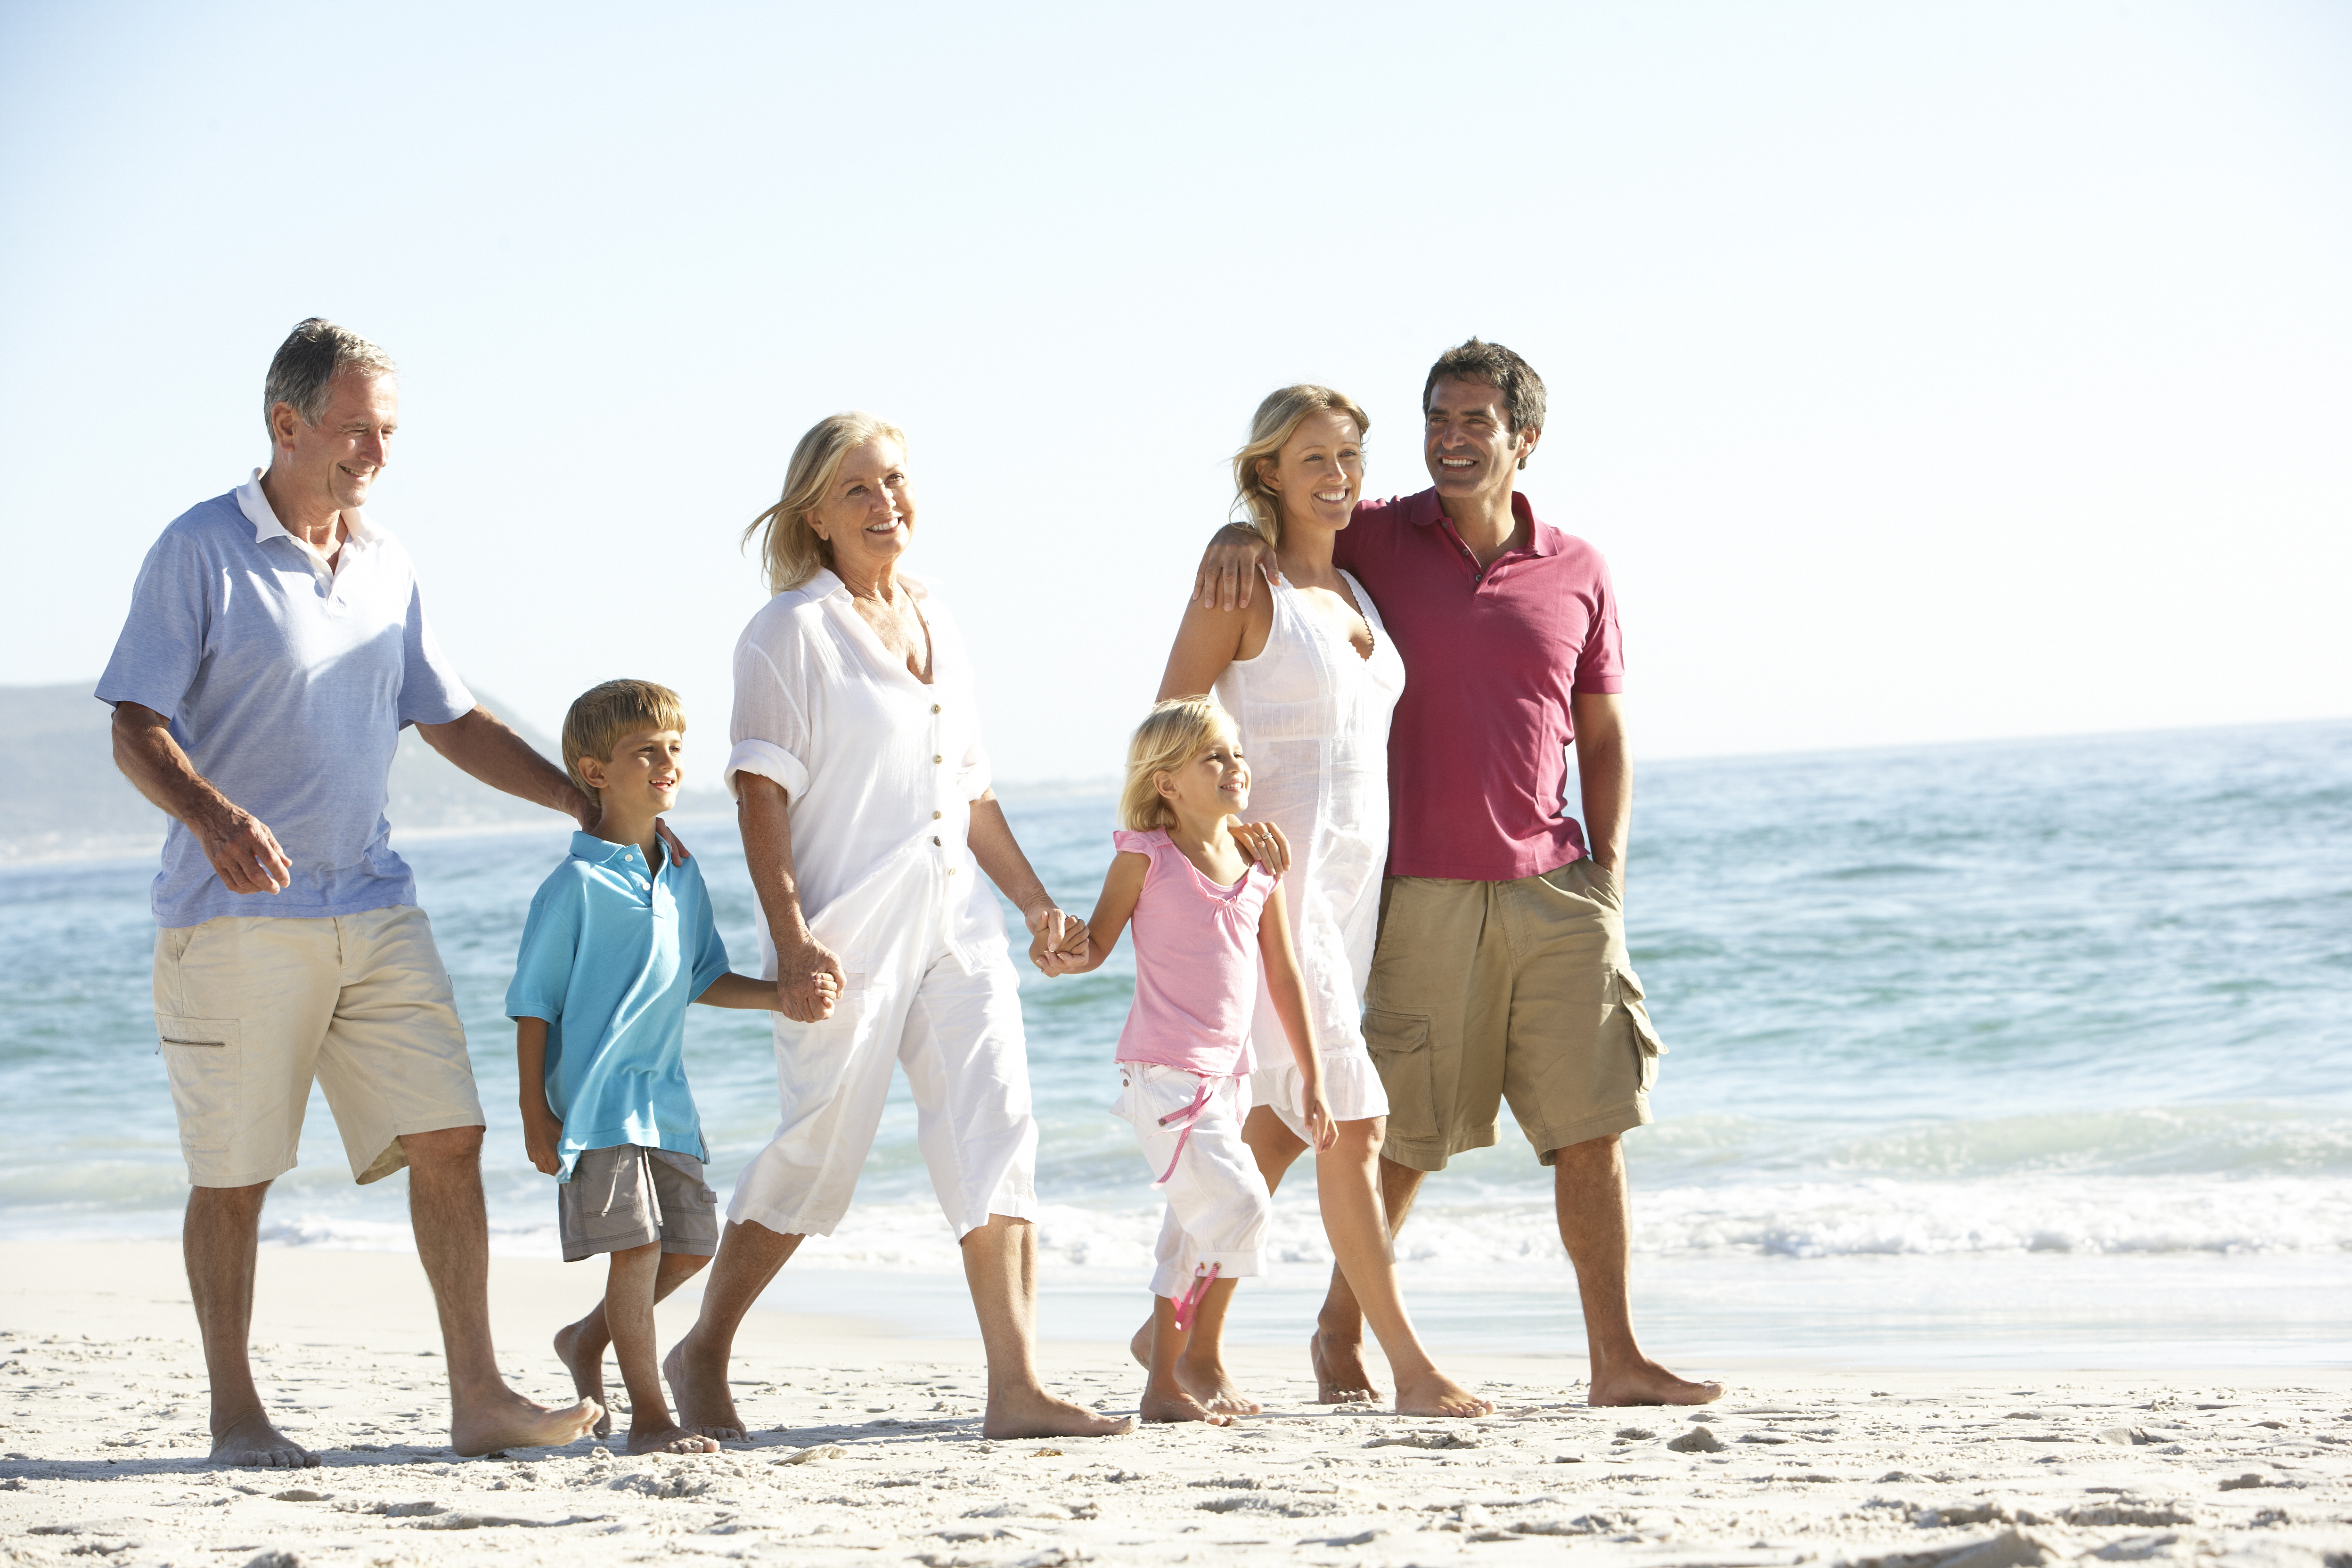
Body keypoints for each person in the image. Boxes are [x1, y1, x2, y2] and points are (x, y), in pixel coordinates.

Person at [98, 318, 612, 1466]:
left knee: (448, 1133)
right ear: (286, 426)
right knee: (234, 1175)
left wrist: (578, 802)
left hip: (372, 899)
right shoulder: (198, 550)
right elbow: (136, 725)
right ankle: (237, 1413)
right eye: (353, 429)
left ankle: (478, 1397)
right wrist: (212, 816)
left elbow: (447, 714)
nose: (375, 452)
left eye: (388, 431)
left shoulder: (387, 560)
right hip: (232, 919)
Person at [1189, 340, 1723, 1408]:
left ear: (1527, 437)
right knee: (1398, 1133)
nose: (1452, 438)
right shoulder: (1381, 535)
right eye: (1438, 418)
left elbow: (1604, 732)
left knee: (1594, 1120)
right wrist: (1233, 530)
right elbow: (1297, 514)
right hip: (1417, 890)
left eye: (1477, 420)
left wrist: (1606, 871)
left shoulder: (1580, 567)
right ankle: (1336, 1334)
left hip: (1559, 882)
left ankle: (1615, 1360)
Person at [661, 412, 1133, 1441]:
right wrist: (791, 941)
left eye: (898, 483)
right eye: (860, 490)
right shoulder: (789, 631)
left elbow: (970, 788)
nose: (888, 505)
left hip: (957, 918)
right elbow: (759, 797)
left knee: (998, 1123)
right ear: (815, 515)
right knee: (819, 1148)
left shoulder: (937, 617)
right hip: (849, 932)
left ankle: (1016, 1384)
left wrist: (1038, 904)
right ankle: (702, 1346)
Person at [1144, 386, 1490, 1419]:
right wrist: (1214, 847)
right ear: (1267, 476)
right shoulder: (1241, 585)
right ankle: (1412, 1366)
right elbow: (1173, 723)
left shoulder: (1357, 592)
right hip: (1272, 894)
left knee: (1280, 1123)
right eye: (1312, 462)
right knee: (1355, 1116)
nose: (1338, 478)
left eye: (1349, 458)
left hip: (1349, 895)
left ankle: (1175, 1338)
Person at [508, 680, 798, 1455]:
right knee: (635, 1250)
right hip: (596, 1107)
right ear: (594, 771)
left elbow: (705, 977)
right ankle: (651, 1417)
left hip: (666, 1104)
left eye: (674, 747)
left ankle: (584, 1340)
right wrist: (537, 1114)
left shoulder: (680, 875)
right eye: (646, 751)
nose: (667, 762)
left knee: (693, 1244)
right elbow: (532, 1005)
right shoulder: (572, 885)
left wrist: (782, 995)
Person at [1038, 697, 1334, 1425]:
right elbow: (1094, 950)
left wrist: (1313, 1077)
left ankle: (1163, 1382)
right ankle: (1167, 1348)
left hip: (1227, 1082)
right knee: (1238, 1207)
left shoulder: (1260, 868)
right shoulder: (1145, 857)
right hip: (1164, 1076)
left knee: (1190, 1230)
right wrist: (1057, 956)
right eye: (1214, 757)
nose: (1235, 766)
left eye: (1235, 753)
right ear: (1166, 783)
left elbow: (1286, 978)